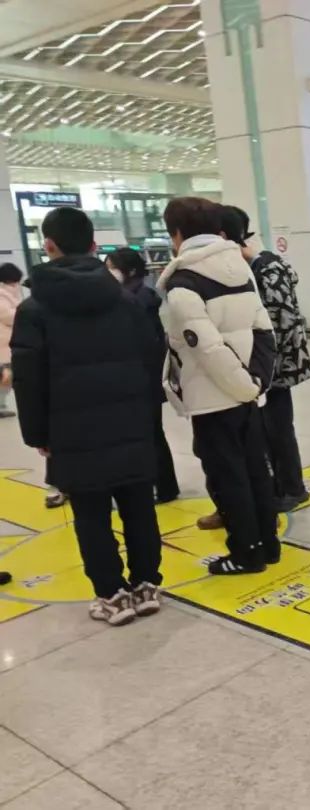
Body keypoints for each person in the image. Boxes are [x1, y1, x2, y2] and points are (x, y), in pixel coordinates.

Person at [10, 207, 164, 625]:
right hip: (131, 422)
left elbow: (28, 380)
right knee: (139, 507)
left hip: (71, 430)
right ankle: (146, 585)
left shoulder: (34, 309)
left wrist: (38, 434)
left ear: (48, 246)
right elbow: (152, 359)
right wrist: (148, 415)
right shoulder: (127, 301)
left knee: (91, 515)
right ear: (95, 246)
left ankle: (112, 595)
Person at [158, 197, 279, 575]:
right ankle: (268, 544)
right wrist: (256, 381)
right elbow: (264, 331)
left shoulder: (182, 282)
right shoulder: (241, 268)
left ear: (177, 234)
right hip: (249, 394)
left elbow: (207, 348)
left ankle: (246, 553)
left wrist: (243, 385)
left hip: (213, 399)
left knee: (229, 478)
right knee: (256, 471)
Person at [221, 205, 310, 513]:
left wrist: (265, 366)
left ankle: (293, 488)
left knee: (278, 428)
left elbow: (282, 321)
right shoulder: (253, 266)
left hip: (276, 367)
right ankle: (279, 486)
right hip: (265, 365)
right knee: (266, 429)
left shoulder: (267, 267)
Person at [106, 248, 180, 503]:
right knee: (150, 432)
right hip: (142, 376)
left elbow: (145, 343)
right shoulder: (133, 296)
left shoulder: (138, 299)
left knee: (151, 433)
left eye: (111, 267)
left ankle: (165, 486)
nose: (108, 272)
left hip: (143, 377)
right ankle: (162, 485)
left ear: (130, 270)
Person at [0, 262, 22, 417]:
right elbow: (7, 315)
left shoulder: (10, 292)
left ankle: (1, 405)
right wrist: (22, 313)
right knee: (5, 376)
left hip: (8, 341)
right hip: (3, 342)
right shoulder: (2, 294)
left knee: (6, 376)